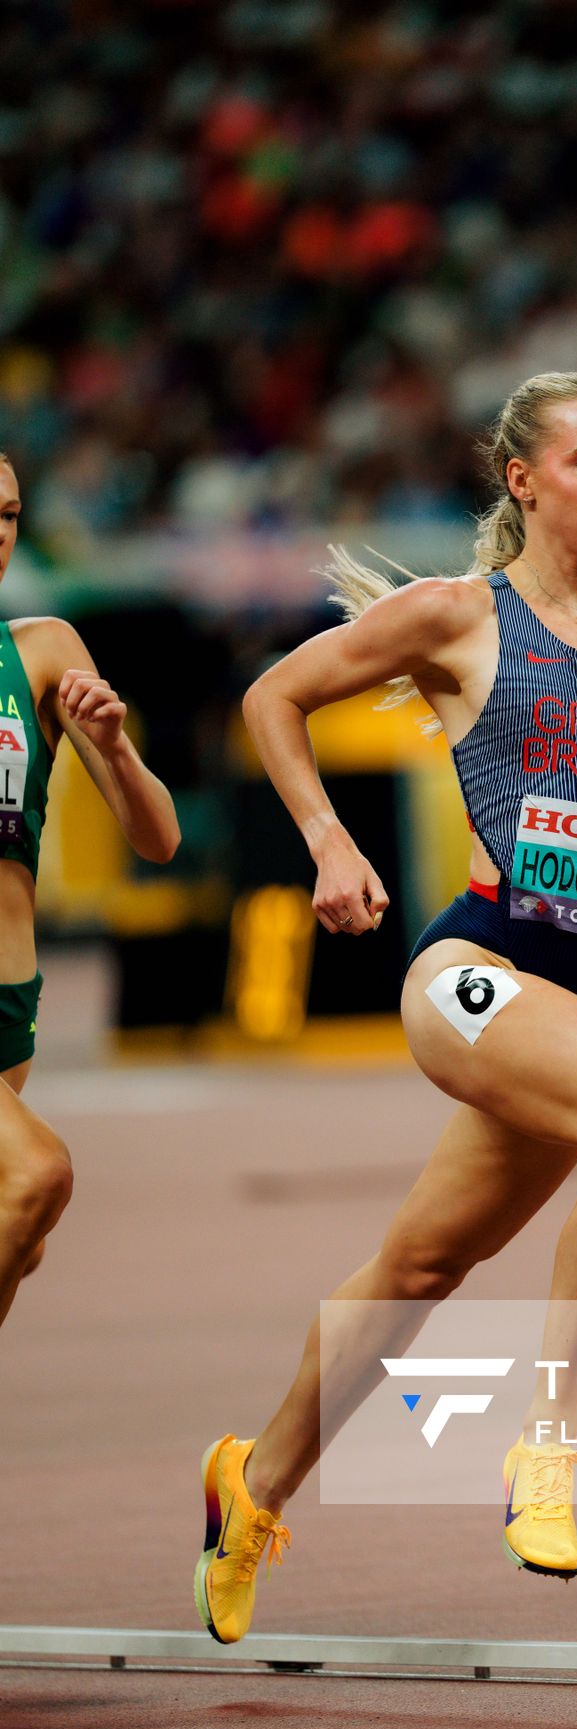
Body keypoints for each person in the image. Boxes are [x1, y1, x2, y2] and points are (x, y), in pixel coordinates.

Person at [197, 371, 577, 1642]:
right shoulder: (457, 616)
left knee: (421, 1264)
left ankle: (254, 1483)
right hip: (479, 974)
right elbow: (271, 697)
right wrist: (328, 844)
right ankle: (547, 1447)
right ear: (522, 481)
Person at [0, 451, 181, 1330]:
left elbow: (159, 838)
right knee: (36, 1175)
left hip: (10, 999)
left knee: (18, 1239)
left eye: (7, 516)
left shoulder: (42, 654)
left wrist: (111, 747)